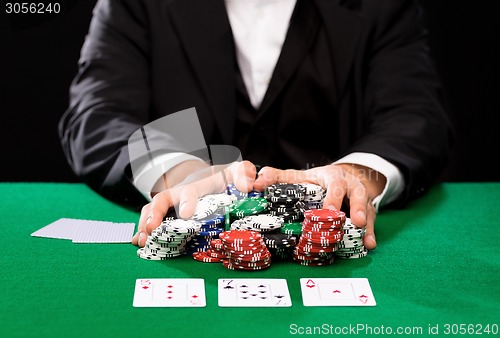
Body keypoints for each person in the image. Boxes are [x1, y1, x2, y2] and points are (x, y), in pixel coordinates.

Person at [59, 0, 453, 250]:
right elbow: (97, 115)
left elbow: (415, 116)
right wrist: (181, 174)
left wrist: (353, 175)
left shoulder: (384, 6)